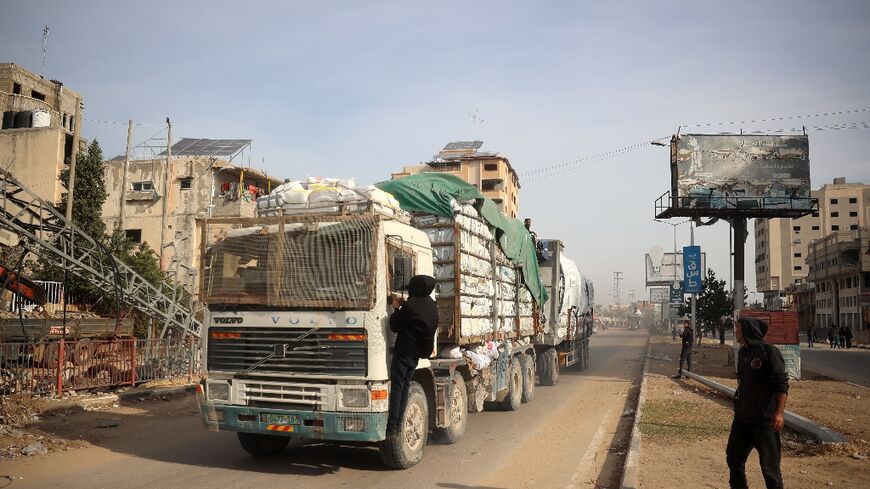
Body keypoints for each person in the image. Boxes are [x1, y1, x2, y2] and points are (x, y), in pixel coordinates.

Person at [727, 317, 789, 489]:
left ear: (747, 331)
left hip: (764, 421)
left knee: (770, 468)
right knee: (733, 458)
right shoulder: (743, 352)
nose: (736, 332)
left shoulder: (769, 352)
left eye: (738, 329)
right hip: (742, 418)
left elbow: (781, 384)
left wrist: (779, 413)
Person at [386, 275, 438, 435]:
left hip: (404, 352)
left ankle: (392, 426)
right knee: (405, 386)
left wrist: (396, 308)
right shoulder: (432, 305)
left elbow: (395, 325)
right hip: (417, 354)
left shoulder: (411, 306)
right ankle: (399, 424)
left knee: (397, 388)